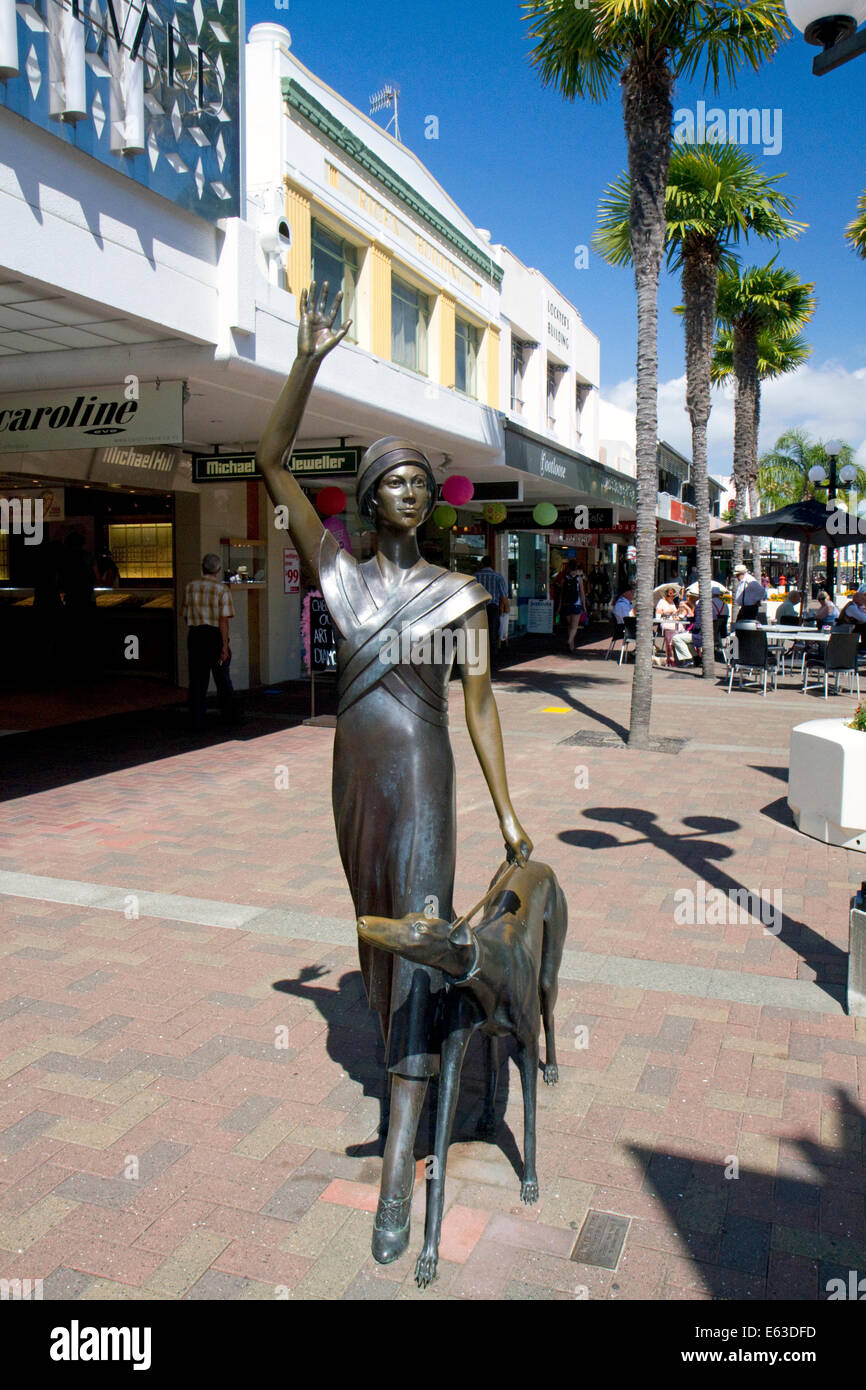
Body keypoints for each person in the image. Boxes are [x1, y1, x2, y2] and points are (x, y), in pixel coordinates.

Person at [255, 281, 532, 1265]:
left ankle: (397, 1169)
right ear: (370, 497)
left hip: (423, 779)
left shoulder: (459, 595)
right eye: (396, 480)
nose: (412, 490)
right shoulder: (337, 575)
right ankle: (415, 1063)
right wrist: (305, 359)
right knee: (377, 949)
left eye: (422, 480)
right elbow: (270, 460)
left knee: (416, 943)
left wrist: (507, 813)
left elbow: (479, 704)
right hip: (354, 782)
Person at [182, 554, 240, 731]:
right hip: (214, 636)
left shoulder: (190, 587)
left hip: (196, 635)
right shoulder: (222, 589)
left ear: (202, 567)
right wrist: (224, 645)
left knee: (197, 681)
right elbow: (223, 619)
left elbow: (185, 614)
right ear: (218, 569)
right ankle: (229, 717)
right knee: (222, 678)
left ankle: (196, 720)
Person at [475, 555, 508, 666]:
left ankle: (479, 654)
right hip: (493, 607)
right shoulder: (498, 577)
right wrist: (506, 610)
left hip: (478, 608)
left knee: (479, 631)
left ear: (482, 564)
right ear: (492, 564)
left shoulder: (475, 576)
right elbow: (503, 596)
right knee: (492, 632)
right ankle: (491, 656)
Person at [558, 559, 587, 653]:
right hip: (576, 604)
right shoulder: (579, 579)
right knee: (574, 627)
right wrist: (584, 605)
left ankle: (571, 646)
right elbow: (582, 593)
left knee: (569, 626)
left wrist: (559, 606)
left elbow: (561, 594)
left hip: (566, 604)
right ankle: (569, 641)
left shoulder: (564, 579)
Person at [655, 587, 679, 668]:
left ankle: (676, 658)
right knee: (670, 635)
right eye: (670, 595)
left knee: (681, 631)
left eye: (673, 595)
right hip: (666, 622)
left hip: (674, 622)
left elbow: (675, 613)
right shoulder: (662, 602)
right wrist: (667, 612)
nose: (671, 597)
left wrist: (677, 613)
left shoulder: (672, 602)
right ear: (666, 595)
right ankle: (670, 659)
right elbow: (658, 613)